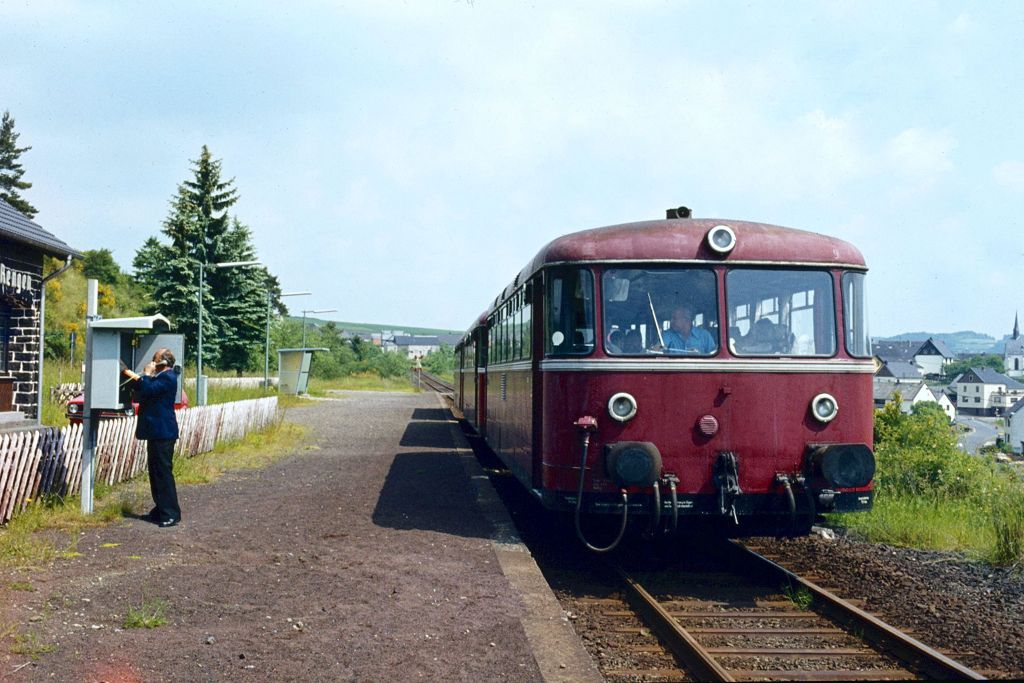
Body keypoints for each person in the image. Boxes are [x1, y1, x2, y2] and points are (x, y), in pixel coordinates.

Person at [122, 348, 181, 528]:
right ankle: (161, 507)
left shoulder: (168, 378)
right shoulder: (160, 378)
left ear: (162, 363)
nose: (151, 363)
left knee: (163, 473)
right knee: (155, 473)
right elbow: (144, 389)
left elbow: (148, 390)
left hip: (163, 433)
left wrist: (146, 374)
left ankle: (171, 513)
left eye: (154, 360)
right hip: (156, 432)